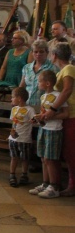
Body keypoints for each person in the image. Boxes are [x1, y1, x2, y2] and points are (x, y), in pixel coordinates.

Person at [41, 43, 75, 197]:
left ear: (54, 55)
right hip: (66, 114)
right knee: (67, 152)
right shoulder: (63, 70)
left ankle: (72, 185)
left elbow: (67, 90)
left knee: (71, 152)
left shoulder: (68, 68)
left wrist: (53, 109)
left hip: (72, 114)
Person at [31, 70, 68, 198]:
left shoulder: (58, 95)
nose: (38, 83)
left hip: (54, 130)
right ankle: (45, 183)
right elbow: (43, 112)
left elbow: (65, 113)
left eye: (40, 81)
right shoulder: (43, 96)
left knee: (50, 159)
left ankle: (54, 186)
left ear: (47, 83)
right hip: (44, 129)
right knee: (43, 157)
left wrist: (52, 116)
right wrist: (38, 118)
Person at [7, 87, 35, 187]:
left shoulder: (30, 109)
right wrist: (12, 132)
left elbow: (34, 120)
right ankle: (12, 175)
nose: (11, 99)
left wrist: (34, 120)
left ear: (19, 98)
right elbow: (13, 123)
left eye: (13, 97)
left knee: (25, 158)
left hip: (25, 139)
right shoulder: (14, 109)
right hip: (13, 138)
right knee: (14, 157)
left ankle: (24, 175)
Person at [19, 39, 58, 107]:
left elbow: (56, 88)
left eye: (41, 52)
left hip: (44, 105)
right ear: (32, 53)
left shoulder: (53, 68)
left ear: (47, 52)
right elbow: (22, 86)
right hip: (27, 105)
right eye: (35, 52)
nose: (38, 54)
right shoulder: (26, 68)